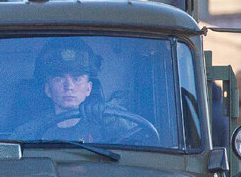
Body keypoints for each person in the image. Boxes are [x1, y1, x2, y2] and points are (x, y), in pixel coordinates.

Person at [13, 37, 150, 144]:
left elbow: (142, 142)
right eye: (59, 79)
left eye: (77, 79)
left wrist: (107, 114)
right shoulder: (32, 131)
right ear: (48, 89)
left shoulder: (109, 119)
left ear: (89, 88)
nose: (69, 86)